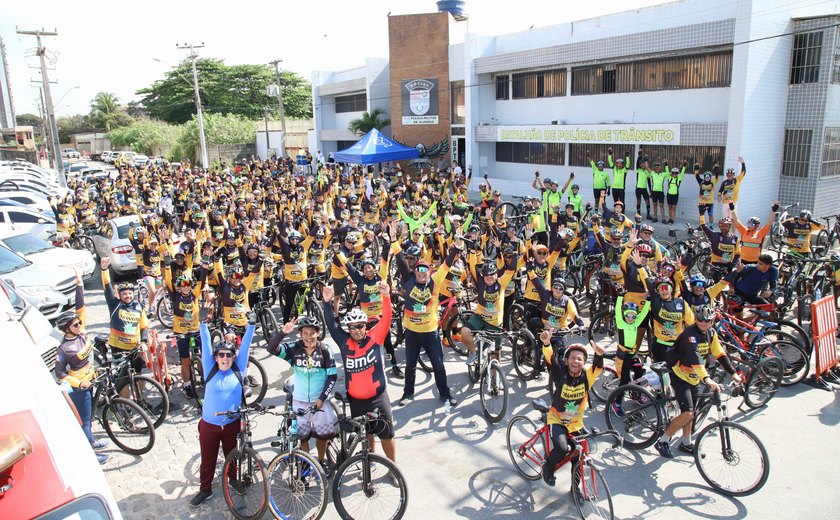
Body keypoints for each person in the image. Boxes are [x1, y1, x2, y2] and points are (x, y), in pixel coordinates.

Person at [322, 282, 398, 462]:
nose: (356, 330)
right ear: (348, 328)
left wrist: (386, 297)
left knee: (387, 435)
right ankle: (370, 459)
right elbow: (332, 324)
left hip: (378, 398)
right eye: (352, 327)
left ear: (365, 326)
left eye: (360, 326)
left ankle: (394, 468)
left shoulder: (375, 337)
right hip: (356, 400)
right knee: (366, 434)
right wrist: (326, 302)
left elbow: (386, 318)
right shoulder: (344, 341)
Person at [654, 305, 742, 458]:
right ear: (695, 319)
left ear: (712, 321)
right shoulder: (690, 334)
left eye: (707, 321)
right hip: (680, 374)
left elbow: (720, 354)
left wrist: (733, 373)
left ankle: (686, 443)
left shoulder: (711, 333)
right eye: (700, 320)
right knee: (688, 412)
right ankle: (663, 440)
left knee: (690, 413)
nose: (703, 323)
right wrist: (708, 379)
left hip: (694, 376)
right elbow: (695, 360)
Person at [191, 312, 257, 507]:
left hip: (231, 423)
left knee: (232, 455)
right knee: (208, 459)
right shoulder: (210, 368)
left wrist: (251, 326)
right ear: (215, 357)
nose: (225, 358)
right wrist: (203, 325)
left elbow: (245, 345)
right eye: (221, 355)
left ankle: (233, 480)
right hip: (209, 425)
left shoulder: (238, 369)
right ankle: (205, 489)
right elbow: (205, 344)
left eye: (229, 355)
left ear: (234, 357)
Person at [54, 269, 110, 465]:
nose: (79, 325)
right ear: (66, 329)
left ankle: (92, 440)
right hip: (79, 387)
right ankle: (91, 456)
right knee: (84, 420)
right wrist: (79, 383)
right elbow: (59, 373)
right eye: (75, 325)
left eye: (79, 323)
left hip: (91, 378)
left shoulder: (80, 334)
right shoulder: (64, 349)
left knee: (90, 416)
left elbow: (81, 308)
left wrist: (79, 285)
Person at [267, 317, 337, 469]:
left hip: (320, 401)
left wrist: (321, 398)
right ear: (300, 334)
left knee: (322, 436)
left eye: (312, 333)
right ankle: (307, 462)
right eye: (305, 333)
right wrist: (282, 333)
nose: (309, 337)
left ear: (318, 334)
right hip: (299, 400)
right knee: (303, 437)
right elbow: (271, 348)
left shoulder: (325, 350)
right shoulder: (294, 348)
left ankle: (320, 460)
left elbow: (332, 376)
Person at [539, 336, 604, 495]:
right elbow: (550, 359)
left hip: (576, 423)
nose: (576, 361)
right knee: (561, 448)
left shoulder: (587, 376)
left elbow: (598, 367)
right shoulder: (560, 374)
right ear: (566, 361)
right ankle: (548, 466)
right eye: (572, 358)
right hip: (557, 420)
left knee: (579, 454)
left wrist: (599, 355)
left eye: (580, 359)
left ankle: (576, 489)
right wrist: (547, 343)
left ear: (584, 363)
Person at [100, 258, 148, 397]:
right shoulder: (114, 305)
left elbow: (144, 326)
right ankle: (126, 406)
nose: (127, 296)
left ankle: (140, 400)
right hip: (118, 347)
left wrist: (144, 342)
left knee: (138, 375)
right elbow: (107, 285)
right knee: (124, 378)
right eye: (124, 294)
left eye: (129, 293)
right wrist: (104, 269)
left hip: (135, 347)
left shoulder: (138, 307)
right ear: (119, 295)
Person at [610, 297, 652, 416]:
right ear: (624, 315)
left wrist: (648, 301)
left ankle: (635, 393)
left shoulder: (635, 323)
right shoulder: (621, 323)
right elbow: (618, 310)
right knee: (624, 381)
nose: (631, 318)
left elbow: (643, 313)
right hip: (623, 356)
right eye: (628, 315)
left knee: (639, 371)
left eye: (633, 316)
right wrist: (619, 298)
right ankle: (616, 403)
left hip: (632, 353)